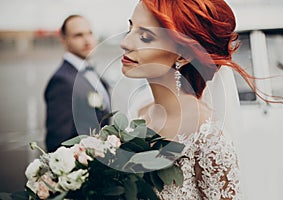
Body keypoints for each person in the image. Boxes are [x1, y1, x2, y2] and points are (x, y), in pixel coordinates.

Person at [119, 0, 261, 199]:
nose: (125, 43)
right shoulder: (138, 112)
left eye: (145, 37)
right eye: (130, 28)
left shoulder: (208, 138)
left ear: (183, 56)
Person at [44, 15, 110, 152]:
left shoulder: (90, 72)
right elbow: (58, 142)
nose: (87, 40)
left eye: (90, 33)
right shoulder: (62, 81)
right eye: (78, 35)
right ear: (64, 40)